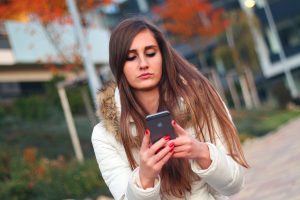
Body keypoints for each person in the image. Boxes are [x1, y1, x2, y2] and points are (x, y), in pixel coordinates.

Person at [92, 16, 249, 200]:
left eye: (150, 53)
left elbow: (235, 185)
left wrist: (202, 153)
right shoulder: (105, 136)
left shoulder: (201, 101)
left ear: (163, 56)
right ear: (119, 65)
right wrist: (145, 178)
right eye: (131, 57)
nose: (143, 64)